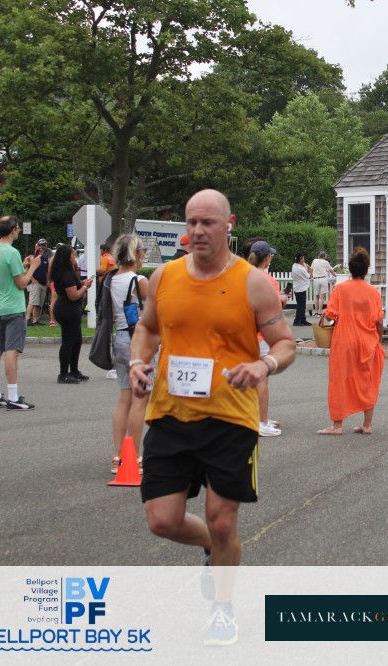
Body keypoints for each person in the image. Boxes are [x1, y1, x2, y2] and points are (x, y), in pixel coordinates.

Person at [128, 189, 296, 646]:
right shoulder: (164, 277)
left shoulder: (252, 282)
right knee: (162, 520)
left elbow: (286, 343)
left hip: (230, 418)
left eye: (208, 222)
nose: (198, 231)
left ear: (229, 224)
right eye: (192, 223)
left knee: (224, 521)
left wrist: (264, 365)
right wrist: (138, 361)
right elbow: (147, 328)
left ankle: (222, 608)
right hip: (170, 414)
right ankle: (211, 547)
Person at [317, 247, 385, 436]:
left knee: (339, 380)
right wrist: (378, 339)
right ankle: (367, 424)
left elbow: (330, 315)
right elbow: (379, 321)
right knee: (368, 381)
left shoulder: (341, 289)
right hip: (367, 342)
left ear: (350, 268)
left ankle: (337, 425)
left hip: (344, 342)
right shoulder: (373, 292)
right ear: (367, 269)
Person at [0, 216, 41, 411]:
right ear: (14, 230)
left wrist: (23, 266)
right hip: (13, 308)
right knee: (12, 351)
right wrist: (33, 267)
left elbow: (4, 272)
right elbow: (21, 283)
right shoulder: (11, 251)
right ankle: (13, 396)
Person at [108, 234, 150, 474]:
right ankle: (133, 456)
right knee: (140, 399)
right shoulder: (138, 280)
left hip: (120, 338)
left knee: (124, 396)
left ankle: (117, 455)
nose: (144, 254)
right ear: (136, 253)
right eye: (142, 250)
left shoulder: (111, 279)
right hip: (139, 341)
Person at [246, 240, 286, 437]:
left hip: (244, 334)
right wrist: (283, 300)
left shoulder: (243, 276)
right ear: (267, 259)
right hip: (261, 335)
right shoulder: (269, 281)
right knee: (262, 380)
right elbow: (274, 309)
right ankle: (262, 422)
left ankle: (252, 418)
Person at [49, 244, 93, 384]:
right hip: (67, 308)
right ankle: (63, 374)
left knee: (76, 340)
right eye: (73, 255)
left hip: (68, 308)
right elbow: (73, 295)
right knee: (68, 341)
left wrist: (81, 283)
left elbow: (73, 287)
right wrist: (85, 287)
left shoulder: (66, 271)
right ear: (67, 257)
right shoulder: (66, 273)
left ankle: (74, 370)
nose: (75, 257)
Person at [23, 239, 51, 325]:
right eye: (41, 246)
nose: (42, 248)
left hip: (43, 283)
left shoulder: (44, 258)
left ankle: (35, 320)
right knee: (33, 302)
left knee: (39, 304)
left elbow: (46, 271)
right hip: (34, 283)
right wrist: (32, 279)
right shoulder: (32, 257)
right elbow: (26, 269)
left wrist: (47, 280)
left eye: (44, 246)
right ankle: (27, 319)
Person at [310, 250, 335, 317]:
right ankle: (319, 312)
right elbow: (331, 270)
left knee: (316, 296)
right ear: (324, 256)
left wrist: (310, 276)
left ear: (318, 256)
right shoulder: (326, 262)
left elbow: (311, 269)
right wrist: (336, 275)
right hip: (323, 279)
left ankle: (315, 312)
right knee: (321, 297)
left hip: (316, 279)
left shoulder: (314, 261)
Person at [95, 243, 117, 311]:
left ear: (105, 250)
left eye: (101, 250)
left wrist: (94, 271)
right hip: (111, 280)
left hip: (103, 281)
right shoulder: (112, 257)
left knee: (102, 298)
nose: (100, 252)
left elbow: (102, 271)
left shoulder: (104, 258)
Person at [291, 253, 311, 326]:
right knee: (301, 306)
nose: (304, 259)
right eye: (303, 258)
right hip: (301, 288)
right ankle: (296, 321)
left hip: (297, 287)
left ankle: (303, 320)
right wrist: (310, 270)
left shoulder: (294, 266)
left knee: (301, 305)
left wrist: (304, 266)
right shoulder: (301, 269)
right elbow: (308, 276)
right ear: (301, 259)